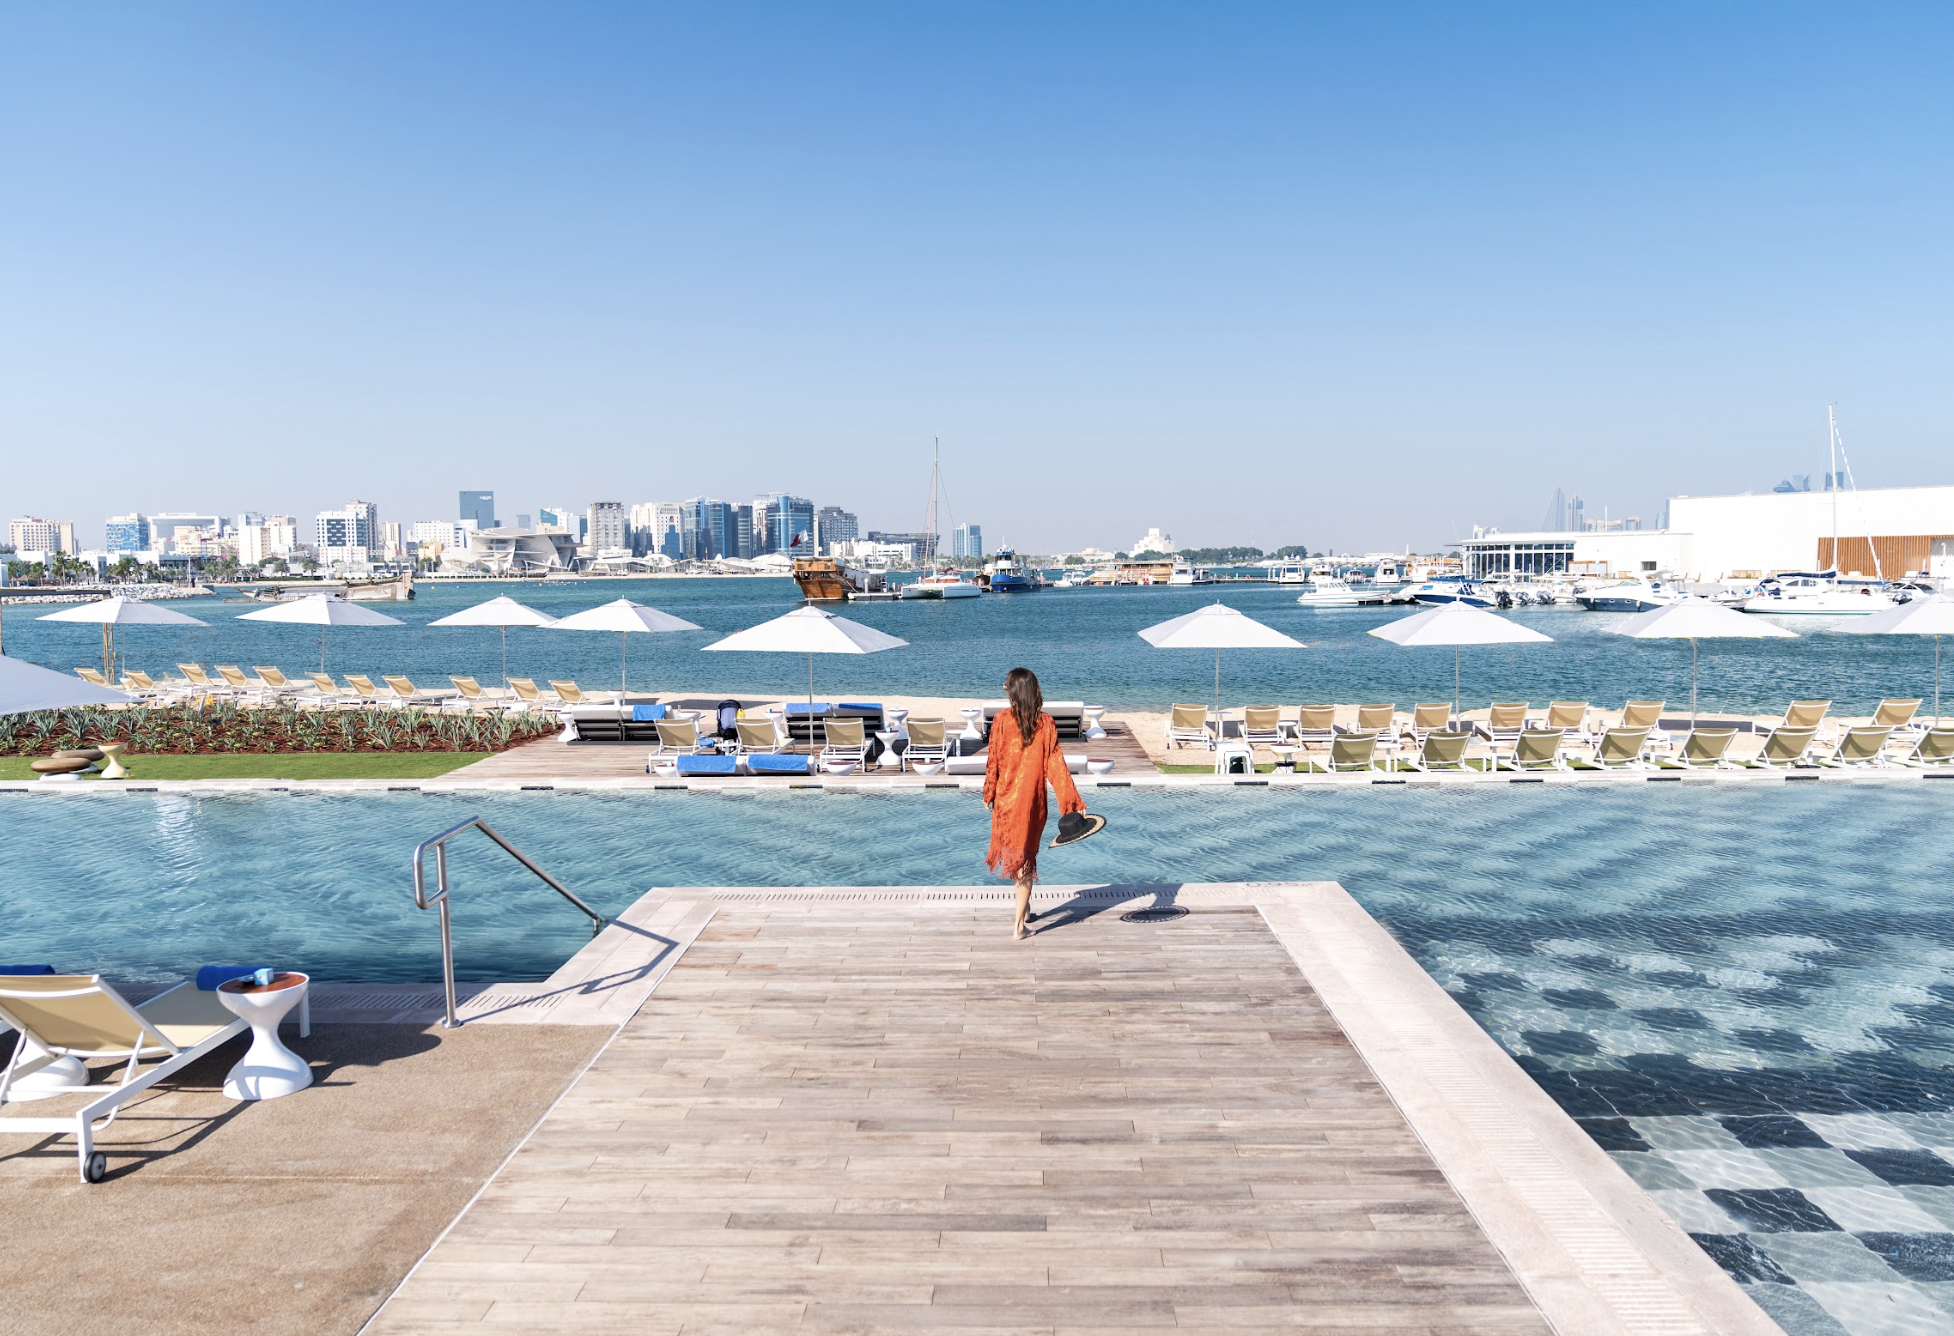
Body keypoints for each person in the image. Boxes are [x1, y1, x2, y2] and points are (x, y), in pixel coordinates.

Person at [983, 666, 1089, 940]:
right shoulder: (1045, 723)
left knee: (1018, 859)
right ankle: (1019, 926)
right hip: (1030, 805)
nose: (1004, 688)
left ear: (1016, 691)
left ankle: (1024, 913)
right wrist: (1071, 802)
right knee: (1024, 862)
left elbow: (993, 760)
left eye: (1007, 685)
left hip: (1006, 803)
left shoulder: (1001, 720)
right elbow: (1056, 766)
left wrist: (989, 793)